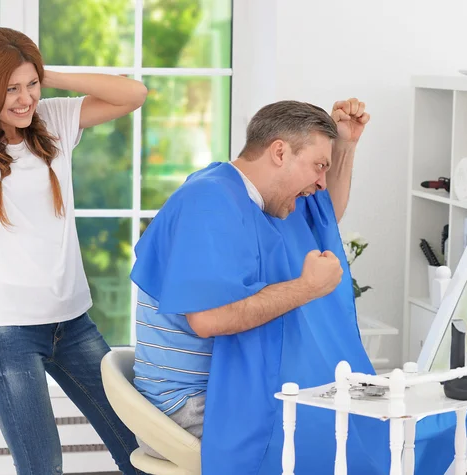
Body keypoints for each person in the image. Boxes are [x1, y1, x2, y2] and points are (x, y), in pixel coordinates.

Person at [130, 99, 399, 474]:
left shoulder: (254, 198)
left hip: (226, 382)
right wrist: (306, 288)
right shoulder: (208, 202)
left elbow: (322, 220)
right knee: (332, 440)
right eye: (319, 166)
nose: (321, 182)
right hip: (193, 402)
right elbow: (207, 319)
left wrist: (346, 148)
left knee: (357, 426)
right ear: (279, 152)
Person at [0, 27, 147, 475]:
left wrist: (44, 76)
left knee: (139, 446)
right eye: (9, 89)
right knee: (41, 466)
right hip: (7, 335)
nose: (25, 99)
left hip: (73, 324)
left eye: (30, 85)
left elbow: (134, 93)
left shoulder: (52, 120)